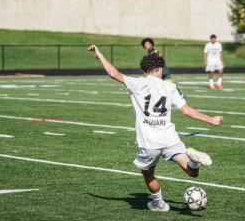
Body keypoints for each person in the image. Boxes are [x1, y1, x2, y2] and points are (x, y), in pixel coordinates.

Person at [88, 44, 223, 212]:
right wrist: (210, 119)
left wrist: (100, 55)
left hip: (149, 142)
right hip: (169, 138)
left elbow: (113, 74)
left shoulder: (138, 84)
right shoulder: (170, 87)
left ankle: (160, 204)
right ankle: (194, 161)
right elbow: (186, 111)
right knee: (191, 172)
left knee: (148, 173)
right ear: (160, 69)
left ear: (144, 71)